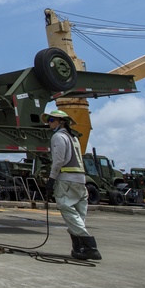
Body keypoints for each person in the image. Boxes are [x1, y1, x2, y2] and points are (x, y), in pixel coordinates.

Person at [43, 109, 101, 260]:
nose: (48, 123)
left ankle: (90, 246)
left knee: (67, 210)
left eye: (51, 120)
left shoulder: (58, 136)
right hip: (80, 180)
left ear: (61, 121)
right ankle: (78, 247)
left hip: (66, 180)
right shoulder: (73, 138)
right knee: (78, 215)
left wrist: (51, 178)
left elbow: (59, 160)